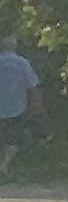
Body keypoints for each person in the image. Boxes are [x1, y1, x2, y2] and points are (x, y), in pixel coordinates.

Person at [0, 32, 37, 182]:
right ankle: (5, 165)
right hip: (16, 107)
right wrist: (36, 104)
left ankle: (4, 167)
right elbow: (33, 86)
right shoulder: (23, 63)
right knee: (13, 140)